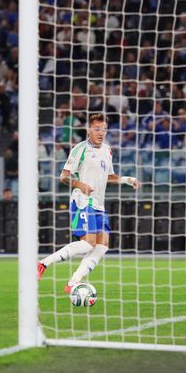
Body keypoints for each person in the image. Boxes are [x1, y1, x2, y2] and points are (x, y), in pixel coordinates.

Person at [37, 114, 141, 292]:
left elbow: (109, 176)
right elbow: (64, 176)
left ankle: (72, 284)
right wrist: (80, 184)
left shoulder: (107, 150)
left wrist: (127, 179)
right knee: (88, 243)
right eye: (97, 129)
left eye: (104, 129)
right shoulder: (80, 149)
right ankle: (43, 263)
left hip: (99, 204)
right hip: (83, 201)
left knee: (102, 246)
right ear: (89, 130)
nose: (101, 133)